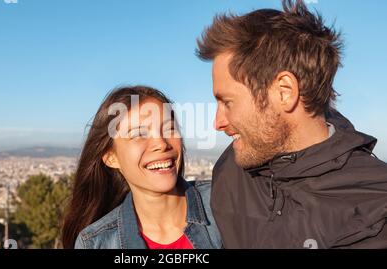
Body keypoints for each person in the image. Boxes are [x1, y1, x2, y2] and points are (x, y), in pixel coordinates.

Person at [196, 0, 387, 248]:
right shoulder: (231, 169)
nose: (217, 123)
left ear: (284, 92)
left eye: (228, 102)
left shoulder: (375, 201)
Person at [61, 86, 222, 249]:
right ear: (111, 158)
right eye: (139, 134)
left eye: (169, 128)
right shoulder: (95, 243)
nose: (161, 143)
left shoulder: (224, 203)